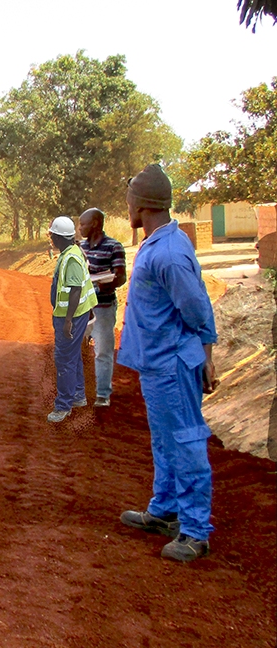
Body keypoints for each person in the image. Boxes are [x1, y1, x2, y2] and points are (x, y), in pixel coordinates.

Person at [117, 163, 218, 563]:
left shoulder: (171, 253)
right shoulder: (159, 243)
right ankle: (165, 510)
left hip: (174, 365)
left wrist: (208, 356)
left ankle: (194, 531)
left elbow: (197, 308)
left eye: (129, 203)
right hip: (157, 365)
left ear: (140, 206)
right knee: (164, 440)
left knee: (186, 440)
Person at [47, 216, 98, 423]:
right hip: (75, 315)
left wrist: (68, 321)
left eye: (52, 235)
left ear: (59, 237)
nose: (50, 238)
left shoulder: (71, 258)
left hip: (72, 317)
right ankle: (77, 395)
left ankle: (63, 406)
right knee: (72, 355)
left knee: (64, 359)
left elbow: (76, 289)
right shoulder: (71, 253)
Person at [78, 208, 127, 407]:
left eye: (83, 224)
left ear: (95, 224)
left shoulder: (114, 247)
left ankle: (102, 395)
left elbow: (121, 276)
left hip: (103, 307)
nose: (80, 228)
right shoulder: (80, 247)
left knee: (103, 351)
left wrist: (109, 282)